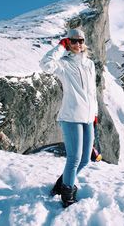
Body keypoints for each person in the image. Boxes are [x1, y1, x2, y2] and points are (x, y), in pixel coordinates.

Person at [40, 28, 98, 207]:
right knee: (73, 159)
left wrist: (94, 114)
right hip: (71, 117)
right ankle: (67, 195)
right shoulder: (63, 63)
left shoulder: (90, 64)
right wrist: (60, 46)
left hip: (88, 117)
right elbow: (45, 64)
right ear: (68, 42)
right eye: (73, 41)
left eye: (80, 41)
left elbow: (92, 93)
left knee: (85, 159)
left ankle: (62, 183)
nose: (78, 44)